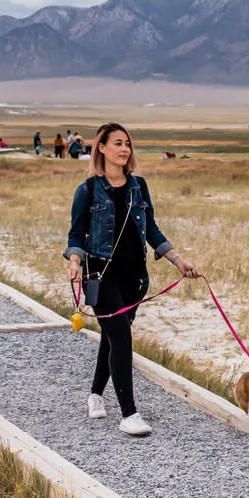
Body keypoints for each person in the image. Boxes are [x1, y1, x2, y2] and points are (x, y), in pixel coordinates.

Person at [65, 122, 199, 437]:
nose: (124, 149)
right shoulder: (87, 190)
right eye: (117, 143)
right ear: (101, 148)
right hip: (100, 275)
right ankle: (129, 414)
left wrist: (178, 260)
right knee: (122, 338)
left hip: (136, 278)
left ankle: (95, 394)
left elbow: (151, 228)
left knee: (114, 337)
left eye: (127, 143)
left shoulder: (139, 186)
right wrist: (74, 260)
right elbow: (76, 233)